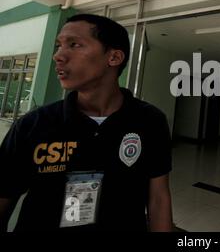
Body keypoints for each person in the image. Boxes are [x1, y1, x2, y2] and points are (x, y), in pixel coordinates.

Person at [0, 14, 173, 231]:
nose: (58, 56)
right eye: (59, 45)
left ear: (114, 57)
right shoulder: (32, 125)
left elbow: (158, 199)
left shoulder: (151, 121)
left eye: (74, 44)